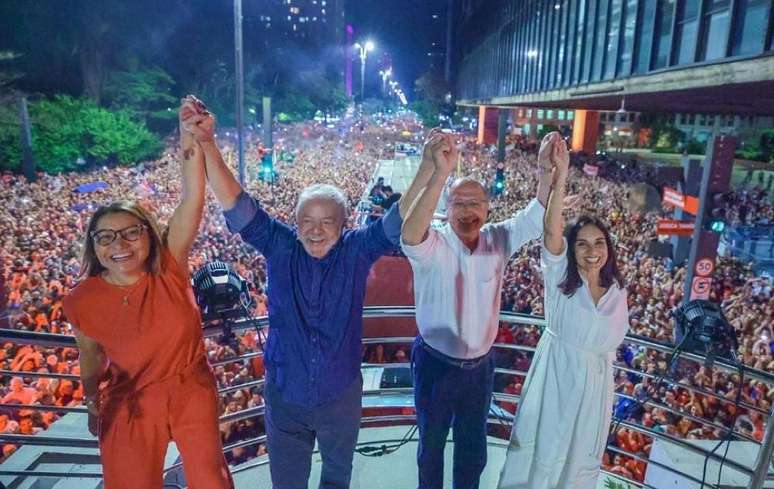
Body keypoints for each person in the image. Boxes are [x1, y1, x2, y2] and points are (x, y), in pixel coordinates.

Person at [185, 103, 440, 488]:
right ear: (295, 222)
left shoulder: (356, 251)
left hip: (340, 395)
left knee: (337, 478)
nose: (316, 231)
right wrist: (207, 144)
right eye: (307, 221)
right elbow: (237, 205)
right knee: (287, 482)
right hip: (285, 395)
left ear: (344, 224)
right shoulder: (280, 246)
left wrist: (429, 169)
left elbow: (395, 220)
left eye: (327, 222)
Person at [62, 97, 234, 489]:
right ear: (94, 246)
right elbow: (91, 359)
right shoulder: (80, 301)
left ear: (149, 235)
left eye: (130, 232)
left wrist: (189, 135)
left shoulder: (170, 265)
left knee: (210, 480)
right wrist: (92, 403)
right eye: (106, 236)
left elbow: (193, 196)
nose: (118, 244)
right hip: (129, 400)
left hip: (190, 387)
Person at [400, 132, 551, 489]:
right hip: (435, 365)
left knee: (473, 451)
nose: (468, 212)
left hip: (480, 370)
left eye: (475, 203)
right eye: (459, 203)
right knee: (431, 449)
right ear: (446, 208)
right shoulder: (431, 243)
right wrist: (439, 174)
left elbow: (535, 217)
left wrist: (547, 172)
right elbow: (409, 233)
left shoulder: (499, 239)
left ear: (487, 208)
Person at [497, 133, 629, 489]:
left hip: (596, 390)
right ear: (570, 249)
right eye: (582, 243)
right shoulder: (561, 279)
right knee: (544, 454)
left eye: (599, 243)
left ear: (609, 249)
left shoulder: (618, 291)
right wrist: (559, 175)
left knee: (578, 464)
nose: (591, 250)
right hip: (557, 377)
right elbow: (551, 229)